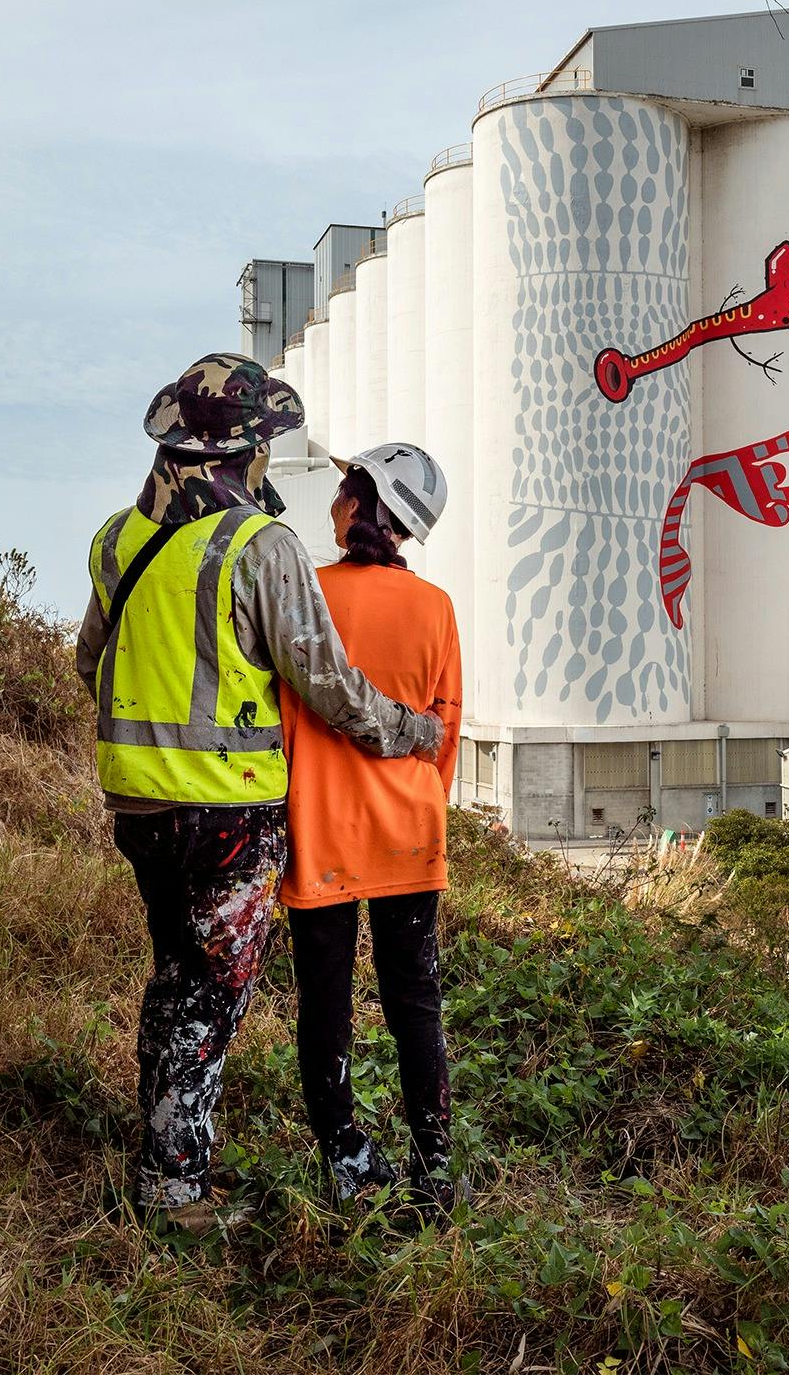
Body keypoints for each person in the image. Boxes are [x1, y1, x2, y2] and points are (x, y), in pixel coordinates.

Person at [75, 355, 443, 1231]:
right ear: (248, 451)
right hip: (227, 812)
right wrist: (413, 732)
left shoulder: (114, 539)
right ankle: (174, 1189)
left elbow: (90, 662)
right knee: (211, 992)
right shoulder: (259, 546)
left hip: (136, 807)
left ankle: (169, 1148)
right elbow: (331, 686)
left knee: (176, 976)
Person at [278, 443, 464, 1213]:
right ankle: (436, 1168)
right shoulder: (436, 609)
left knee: (325, 1005)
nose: (332, 498)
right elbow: (445, 733)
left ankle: (343, 1161)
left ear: (361, 503)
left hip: (320, 830)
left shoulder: (308, 598)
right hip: (408, 837)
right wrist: (420, 804)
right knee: (413, 1003)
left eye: (343, 486)